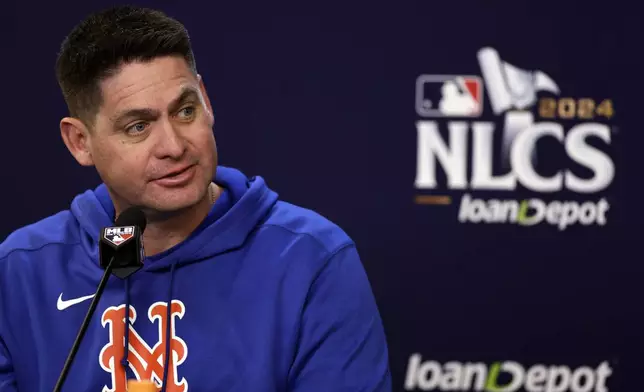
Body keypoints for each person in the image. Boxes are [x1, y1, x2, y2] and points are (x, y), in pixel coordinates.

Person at [0, 6, 391, 392]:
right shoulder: (20, 269)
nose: (173, 146)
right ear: (80, 142)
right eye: (138, 126)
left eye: (185, 111)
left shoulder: (312, 260)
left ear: (206, 100)